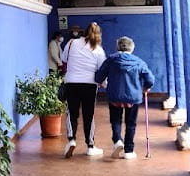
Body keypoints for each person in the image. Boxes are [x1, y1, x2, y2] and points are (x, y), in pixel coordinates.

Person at [95, 36, 155, 160]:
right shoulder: (139, 62)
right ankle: (129, 151)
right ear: (132, 48)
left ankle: (117, 140)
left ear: (118, 47)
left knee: (115, 120)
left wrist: (100, 81)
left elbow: (99, 76)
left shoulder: (111, 60)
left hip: (114, 96)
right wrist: (146, 87)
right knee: (131, 123)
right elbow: (150, 79)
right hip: (133, 97)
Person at [61, 22, 106, 158]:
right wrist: (104, 83)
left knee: (72, 113)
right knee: (89, 115)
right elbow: (102, 70)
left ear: (84, 32)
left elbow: (64, 60)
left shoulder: (71, 43)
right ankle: (90, 146)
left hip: (71, 83)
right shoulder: (98, 50)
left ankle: (71, 139)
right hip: (90, 85)